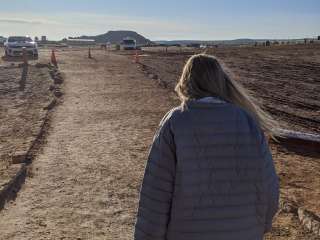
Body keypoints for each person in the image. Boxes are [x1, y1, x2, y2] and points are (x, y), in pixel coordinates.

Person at [134, 54, 279, 240]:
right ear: (220, 81)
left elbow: (156, 195)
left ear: (186, 80)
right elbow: (270, 188)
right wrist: (259, 227)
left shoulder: (176, 121)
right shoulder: (248, 121)